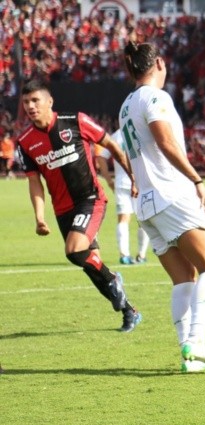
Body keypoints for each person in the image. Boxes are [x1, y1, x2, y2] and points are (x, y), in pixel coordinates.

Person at [120, 41, 205, 373]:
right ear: (159, 64)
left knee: (184, 278)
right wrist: (197, 180)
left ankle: (187, 356)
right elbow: (166, 143)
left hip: (147, 206)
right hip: (171, 195)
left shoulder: (125, 105)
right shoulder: (155, 98)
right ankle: (197, 341)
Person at [15, 78, 142, 332]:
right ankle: (130, 311)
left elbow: (112, 146)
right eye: (26, 102)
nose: (30, 106)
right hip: (62, 210)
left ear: (49, 101)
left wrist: (132, 176)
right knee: (90, 263)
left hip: (90, 200)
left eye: (35, 100)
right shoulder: (25, 142)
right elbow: (34, 183)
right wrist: (40, 218)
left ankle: (114, 279)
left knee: (74, 250)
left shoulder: (76, 121)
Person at [96, 129, 152, 265]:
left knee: (123, 219)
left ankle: (124, 255)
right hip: (141, 183)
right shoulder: (140, 130)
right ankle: (141, 255)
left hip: (121, 182)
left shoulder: (116, 135)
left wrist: (109, 179)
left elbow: (101, 156)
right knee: (144, 220)